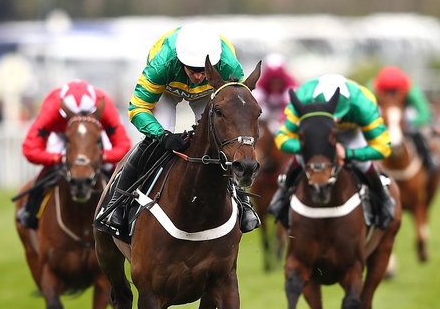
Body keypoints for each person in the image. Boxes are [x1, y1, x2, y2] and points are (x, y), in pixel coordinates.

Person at [96, 21, 261, 234]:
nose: (198, 76)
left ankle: (244, 203)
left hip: (208, 93)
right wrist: (163, 136)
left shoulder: (229, 65)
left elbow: (237, 107)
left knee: (224, 143)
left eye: (203, 70)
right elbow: (137, 108)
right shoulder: (162, 64)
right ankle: (117, 203)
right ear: (181, 60)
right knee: (153, 143)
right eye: (193, 70)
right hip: (168, 90)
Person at [267, 74, 396, 230]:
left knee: (362, 163)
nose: (335, 121)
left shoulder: (363, 103)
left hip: (351, 134)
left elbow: (383, 147)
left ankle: (383, 198)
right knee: (301, 158)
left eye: (339, 116)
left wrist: (349, 154)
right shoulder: (303, 98)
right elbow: (282, 138)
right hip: (317, 132)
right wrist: (309, 148)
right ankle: (282, 195)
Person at [16, 79, 132, 230]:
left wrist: (101, 157)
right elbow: (30, 149)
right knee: (50, 169)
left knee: (114, 170)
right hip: (63, 137)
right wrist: (59, 158)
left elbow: (123, 145)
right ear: (63, 111)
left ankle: (123, 210)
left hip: (93, 136)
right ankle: (30, 208)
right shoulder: (52, 106)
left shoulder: (104, 105)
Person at [369, 65, 437, 174]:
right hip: (383, 117)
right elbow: (363, 112)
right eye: (386, 92)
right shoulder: (371, 88)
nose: (390, 95)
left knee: (419, 133)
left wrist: (406, 123)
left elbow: (424, 113)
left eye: (394, 91)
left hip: (404, 115)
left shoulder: (411, 89)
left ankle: (428, 160)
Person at [252, 53, 297, 133]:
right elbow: (255, 104)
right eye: (271, 82)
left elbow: (291, 108)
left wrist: (280, 120)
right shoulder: (260, 85)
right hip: (267, 113)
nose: (275, 85)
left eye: (278, 82)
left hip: (283, 112)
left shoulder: (291, 87)